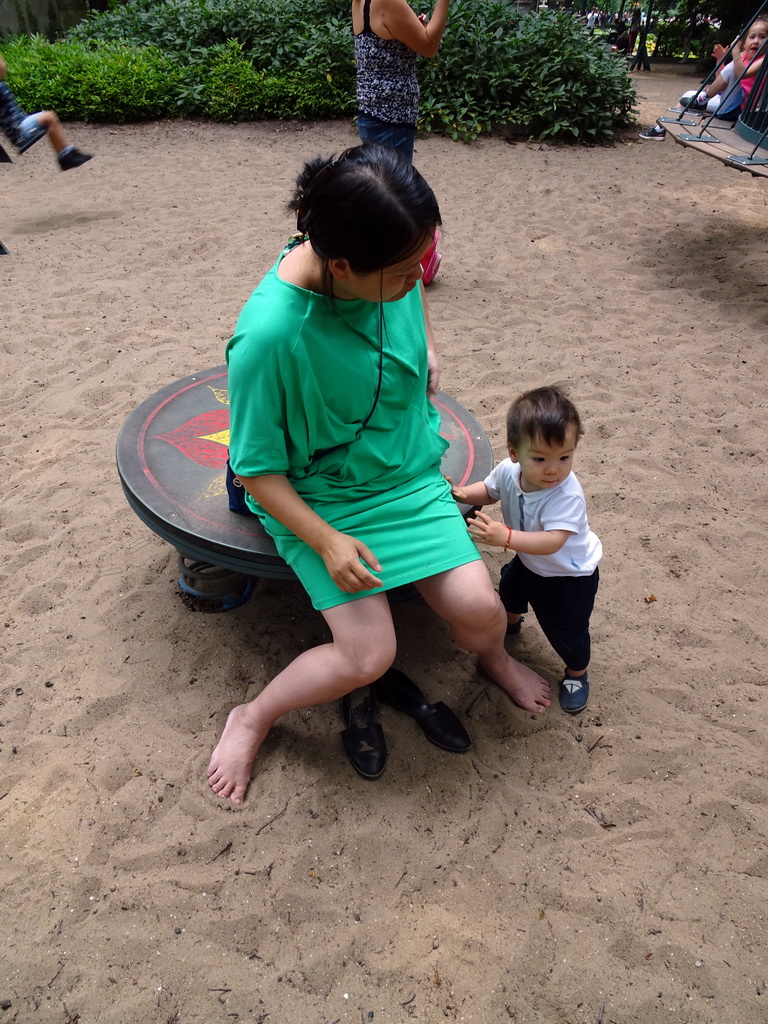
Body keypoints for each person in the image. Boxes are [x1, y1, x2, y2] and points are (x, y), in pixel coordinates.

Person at [207, 144, 551, 805]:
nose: (414, 280)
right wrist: (329, 542)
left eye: (419, 262)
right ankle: (252, 716)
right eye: (400, 272)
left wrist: (428, 348)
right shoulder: (271, 336)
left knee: (482, 612)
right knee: (369, 655)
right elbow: (256, 470)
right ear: (339, 265)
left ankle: (493, 660)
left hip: (405, 471)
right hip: (323, 498)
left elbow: (410, 291)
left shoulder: (378, 260)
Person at [450, 385, 601, 716]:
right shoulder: (508, 470)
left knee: (566, 629)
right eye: (541, 458)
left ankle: (577, 673)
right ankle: (512, 624)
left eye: (565, 457)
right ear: (514, 452)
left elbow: (553, 541)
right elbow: (489, 491)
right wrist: (462, 494)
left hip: (567, 576)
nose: (553, 469)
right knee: (510, 590)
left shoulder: (566, 495)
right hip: (529, 561)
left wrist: (505, 537)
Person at [352, 0, 448, 282]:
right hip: (390, 119)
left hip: (373, 114)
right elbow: (429, 46)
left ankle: (378, 266)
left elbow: (384, 42)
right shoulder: (388, 0)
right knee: (394, 200)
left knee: (379, 193)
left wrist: (410, 26)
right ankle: (390, 269)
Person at [640, 18, 768, 141]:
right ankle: (659, 130)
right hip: (726, 102)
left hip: (739, 110)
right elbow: (721, 80)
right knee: (688, 96)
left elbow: (742, 74)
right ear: (744, 42)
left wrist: (735, 53)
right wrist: (720, 60)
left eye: (762, 37)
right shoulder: (743, 57)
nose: (756, 41)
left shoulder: (763, 60)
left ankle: (703, 99)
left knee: (731, 68)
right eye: (752, 37)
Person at [0, 53, 92, 171]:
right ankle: (66, 156)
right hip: (18, 131)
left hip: (20, 123)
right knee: (49, 117)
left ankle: (66, 154)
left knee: (49, 117)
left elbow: (2, 70)